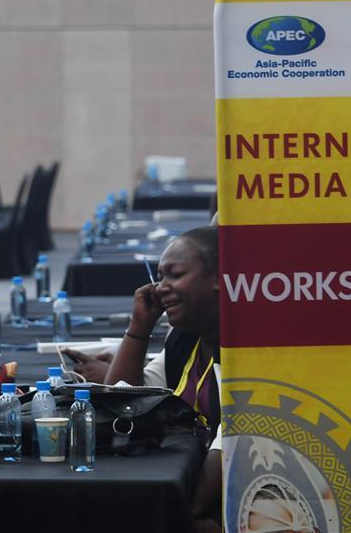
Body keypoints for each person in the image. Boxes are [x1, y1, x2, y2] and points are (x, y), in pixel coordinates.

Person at [104, 225, 221, 528]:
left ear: (220, 279)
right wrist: (139, 327)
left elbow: (231, 442)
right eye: (160, 276)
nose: (159, 287)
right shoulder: (185, 338)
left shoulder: (249, 351)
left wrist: (181, 515)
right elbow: (119, 398)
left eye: (175, 274)